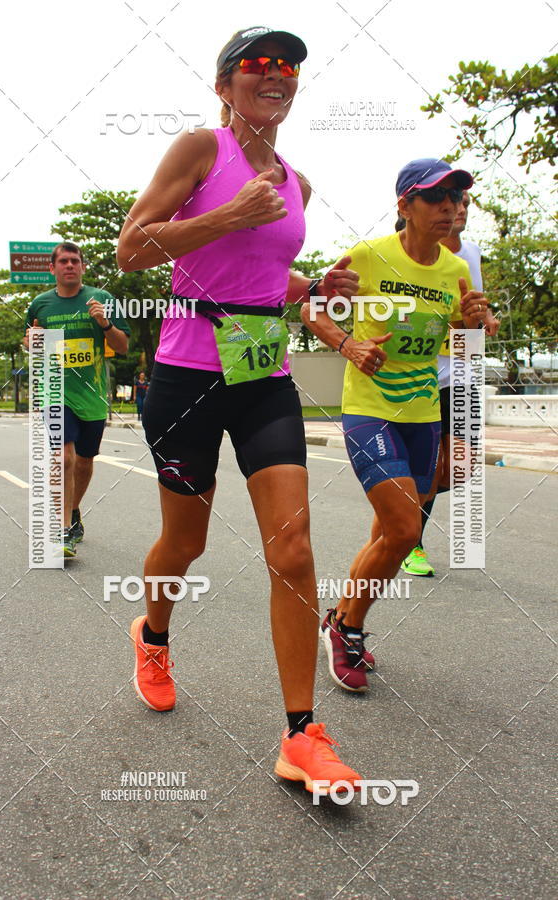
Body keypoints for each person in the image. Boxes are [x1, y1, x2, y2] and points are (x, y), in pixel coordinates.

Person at [117, 26, 363, 792]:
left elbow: (263, 278)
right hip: (185, 375)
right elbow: (132, 249)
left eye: (287, 65)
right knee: (182, 545)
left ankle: (301, 735)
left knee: (291, 548)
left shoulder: (298, 183)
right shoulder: (201, 150)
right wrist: (226, 215)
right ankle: (152, 633)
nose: (275, 74)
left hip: (263, 374)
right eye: (257, 64)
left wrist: (313, 288)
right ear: (224, 86)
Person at [302, 158, 489, 693]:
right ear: (405, 205)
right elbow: (313, 307)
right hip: (370, 407)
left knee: (390, 530)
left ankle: (341, 614)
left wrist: (470, 324)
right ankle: (347, 628)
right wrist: (348, 343)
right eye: (437, 199)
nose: (450, 210)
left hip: (423, 412)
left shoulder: (454, 269)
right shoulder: (368, 256)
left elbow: (455, 338)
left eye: (456, 200)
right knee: (406, 530)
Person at [401, 190, 499, 576]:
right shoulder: (417, 252)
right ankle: (410, 541)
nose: (458, 210)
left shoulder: (471, 252)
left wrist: (484, 317)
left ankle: (399, 513)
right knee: (429, 466)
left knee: (460, 469)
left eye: (464, 204)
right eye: (451, 203)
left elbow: (475, 300)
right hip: (423, 375)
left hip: (462, 374)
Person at [23, 241, 130, 557]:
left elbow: (122, 346)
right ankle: (62, 530)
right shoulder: (40, 305)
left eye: (75, 261)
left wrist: (104, 323)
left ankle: (72, 511)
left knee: (84, 461)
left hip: (93, 395)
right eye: (64, 261)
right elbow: (31, 339)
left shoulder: (103, 300)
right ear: (52, 268)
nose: (70, 266)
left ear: (83, 267)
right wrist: (30, 342)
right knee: (63, 457)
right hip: (54, 391)